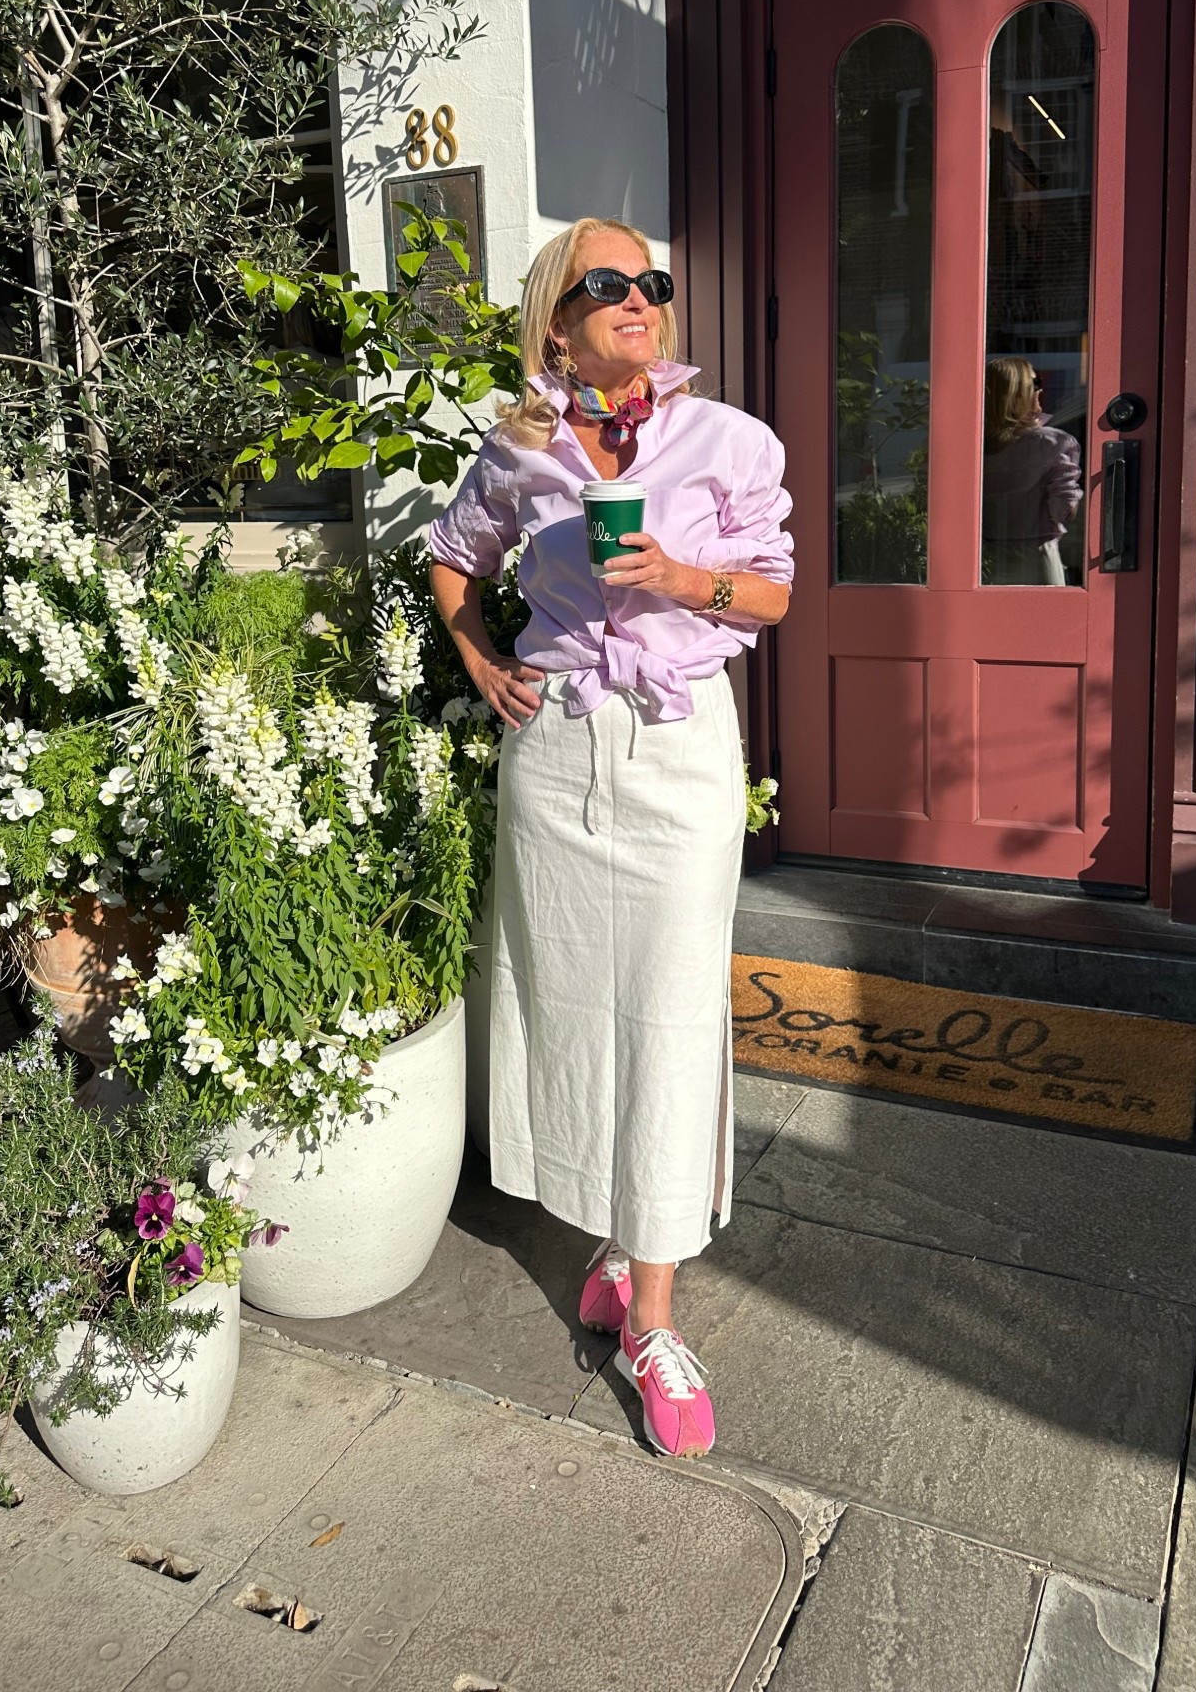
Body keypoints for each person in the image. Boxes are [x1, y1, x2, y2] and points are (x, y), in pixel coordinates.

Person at [427, 216, 794, 1459]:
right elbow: (453, 556)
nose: (638, 298)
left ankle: (653, 1317)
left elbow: (777, 589)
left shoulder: (730, 440)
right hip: (556, 754)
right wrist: (480, 657)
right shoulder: (520, 446)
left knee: (674, 1012)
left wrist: (685, 579)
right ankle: (612, 1247)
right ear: (556, 319)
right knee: (575, 1007)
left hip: (680, 755)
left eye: (653, 283)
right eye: (607, 283)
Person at [980, 355, 1083, 584]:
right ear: (1019, 394)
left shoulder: (977, 446)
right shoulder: (1053, 443)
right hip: (1037, 554)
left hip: (984, 558)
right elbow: (1065, 509)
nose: (1040, 389)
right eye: (1035, 384)